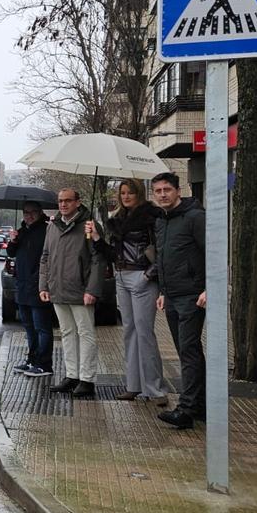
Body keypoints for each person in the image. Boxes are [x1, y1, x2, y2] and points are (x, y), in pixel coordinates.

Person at [86, 179, 169, 405]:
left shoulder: (152, 216)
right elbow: (113, 254)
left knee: (145, 333)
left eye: (130, 192)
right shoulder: (117, 220)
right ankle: (134, 385)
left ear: (139, 193)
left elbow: (161, 250)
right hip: (122, 277)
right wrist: (96, 238)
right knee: (129, 332)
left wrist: (148, 276)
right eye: (122, 192)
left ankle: (156, 388)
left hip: (143, 277)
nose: (125, 196)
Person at [150, 172, 207, 429]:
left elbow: (213, 252)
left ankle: (186, 409)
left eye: (167, 190)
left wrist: (209, 288)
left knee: (189, 351)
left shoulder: (195, 217)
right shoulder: (161, 221)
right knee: (187, 352)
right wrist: (162, 291)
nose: (162, 194)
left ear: (177, 191)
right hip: (172, 296)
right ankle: (200, 406)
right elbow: (162, 259)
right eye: (158, 191)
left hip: (192, 296)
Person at [39, 188, 106, 398]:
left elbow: (98, 259)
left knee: (85, 333)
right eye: (60, 201)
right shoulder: (53, 226)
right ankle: (72, 375)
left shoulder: (90, 226)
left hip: (81, 289)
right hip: (58, 288)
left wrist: (92, 289)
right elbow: (45, 256)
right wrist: (43, 285)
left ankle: (87, 379)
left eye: (68, 201)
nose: (63, 205)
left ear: (78, 202)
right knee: (66, 333)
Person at [7, 201, 53, 378]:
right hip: (22, 286)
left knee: (42, 327)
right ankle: (32, 360)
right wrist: (13, 240)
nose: (29, 215)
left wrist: (40, 281)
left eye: (33, 212)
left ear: (40, 212)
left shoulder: (46, 231)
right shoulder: (22, 232)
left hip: (39, 286)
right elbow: (11, 253)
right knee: (29, 327)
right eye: (26, 212)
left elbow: (48, 258)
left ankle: (44, 364)